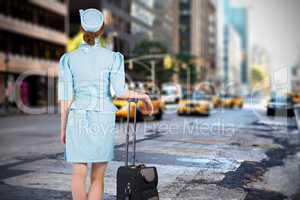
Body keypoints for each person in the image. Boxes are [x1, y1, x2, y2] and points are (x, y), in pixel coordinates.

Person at [58, 8, 153, 200]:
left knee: (78, 174)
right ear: (102, 30)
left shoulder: (68, 60)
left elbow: (66, 98)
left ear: (82, 29)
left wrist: (63, 128)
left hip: (76, 118)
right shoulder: (113, 58)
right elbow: (121, 92)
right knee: (97, 178)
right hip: (103, 117)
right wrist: (144, 96)